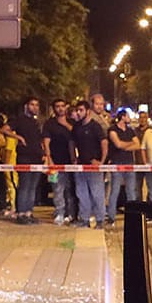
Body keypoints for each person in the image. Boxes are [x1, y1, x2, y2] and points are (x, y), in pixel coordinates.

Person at [70, 100, 108, 228]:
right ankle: (84, 219)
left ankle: (100, 220)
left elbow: (104, 143)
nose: (78, 113)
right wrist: (73, 158)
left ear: (88, 111)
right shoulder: (77, 127)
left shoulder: (95, 126)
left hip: (93, 167)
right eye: (77, 110)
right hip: (81, 166)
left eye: (81, 110)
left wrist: (102, 161)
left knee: (97, 193)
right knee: (82, 194)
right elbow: (72, 142)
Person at [105, 106, 141, 223]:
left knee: (131, 191)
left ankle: (133, 216)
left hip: (130, 163)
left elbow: (138, 145)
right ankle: (111, 216)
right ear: (122, 117)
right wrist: (130, 144)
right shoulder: (112, 130)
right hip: (117, 163)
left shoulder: (130, 130)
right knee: (114, 190)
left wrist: (124, 146)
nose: (129, 118)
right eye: (128, 116)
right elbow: (118, 144)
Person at [44, 98, 76, 225]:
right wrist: (49, 159)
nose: (60, 109)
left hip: (70, 162)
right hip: (55, 162)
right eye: (57, 106)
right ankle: (59, 213)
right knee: (57, 189)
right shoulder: (49, 124)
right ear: (54, 108)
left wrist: (65, 124)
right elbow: (46, 142)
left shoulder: (72, 122)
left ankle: (71, 213)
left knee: (70, 189)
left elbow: (76, 135)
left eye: (63, 106)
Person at [13, 97, 46, 223]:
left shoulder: (37, 122)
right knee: (25, 186)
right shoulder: (20, 120)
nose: (35, 107)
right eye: (32, 104)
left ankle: (28, 212)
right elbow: (4, 129)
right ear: (26, 106)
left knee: (33, 187)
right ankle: (21, 213)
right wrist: (18, 137)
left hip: (37, 157)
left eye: (37, 105)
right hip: (24, 157)